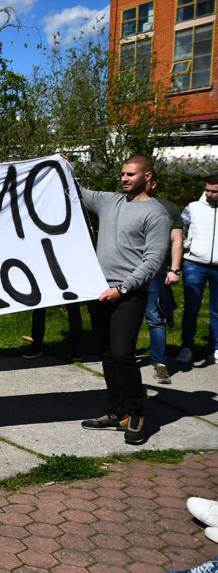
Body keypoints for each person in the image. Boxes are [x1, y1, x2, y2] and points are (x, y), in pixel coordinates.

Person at [75, 154, 169, 445]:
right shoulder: (109, 201)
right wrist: (63, 164)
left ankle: (137, 414)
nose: (124, 178)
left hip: (129, 293)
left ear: (148, 177)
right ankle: (117, 411)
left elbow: (153, 261)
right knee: (106, 353)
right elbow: (75, 191)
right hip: (99, 290)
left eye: (131, 174)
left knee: (122, 353)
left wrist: (123, 288)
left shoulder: (156, 213)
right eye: (123, 174)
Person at [144, 176, 183, 383]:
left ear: (153, 183)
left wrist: (174, 269)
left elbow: (177, 240)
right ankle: (122, 359)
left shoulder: (167, 207)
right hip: (125, 270)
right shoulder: (122, 203)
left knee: (154, 316)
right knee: (123, 316)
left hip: (154, 271)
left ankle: (159, 363)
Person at [177, 174, 218, 366]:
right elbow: (180, 229)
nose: (209, 194)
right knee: (191, 308)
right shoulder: (193, 207)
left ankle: (215, 349)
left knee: (217, 311)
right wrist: (188, 245)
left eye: (214, 191)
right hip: (194, 263)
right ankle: (187, 347)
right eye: (207, 190)